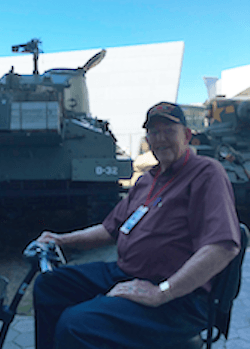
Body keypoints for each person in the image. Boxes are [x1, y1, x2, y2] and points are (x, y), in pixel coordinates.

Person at [33, 102, 241, 349]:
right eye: (154, 132)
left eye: (168, 131)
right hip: (126, 273)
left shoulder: (206, 173)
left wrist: (162, 292)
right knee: (49, 285)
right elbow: (110, 229)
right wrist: (60, 239)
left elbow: (222, 246)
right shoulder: (147, 180)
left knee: (76, 325)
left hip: (178, 296)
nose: (160, 139)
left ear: (186, 135)